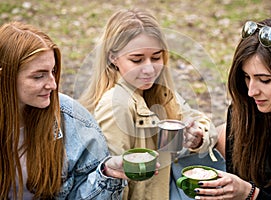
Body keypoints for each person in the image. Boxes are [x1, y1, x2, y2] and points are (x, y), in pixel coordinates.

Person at [78, 8, 222, 200]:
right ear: (113, 57)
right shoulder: (116, 104)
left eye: (156, 57)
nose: (149, 68)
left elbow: (198, 120)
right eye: (137, 60)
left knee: (226, 131)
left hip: (168, 188)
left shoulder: (158, 92)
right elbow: (114, 182)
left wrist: (197, 137)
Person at [0, 21, 132, 199]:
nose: (53, 85)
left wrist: (107, 174)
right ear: (4, 76)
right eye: (38, 76)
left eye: (53, 71)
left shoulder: (73, 119)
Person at [194, 17, 271, 199]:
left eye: (265, 80)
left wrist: (250, 194)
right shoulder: (243, 112)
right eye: (246, 77)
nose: (251, 91)